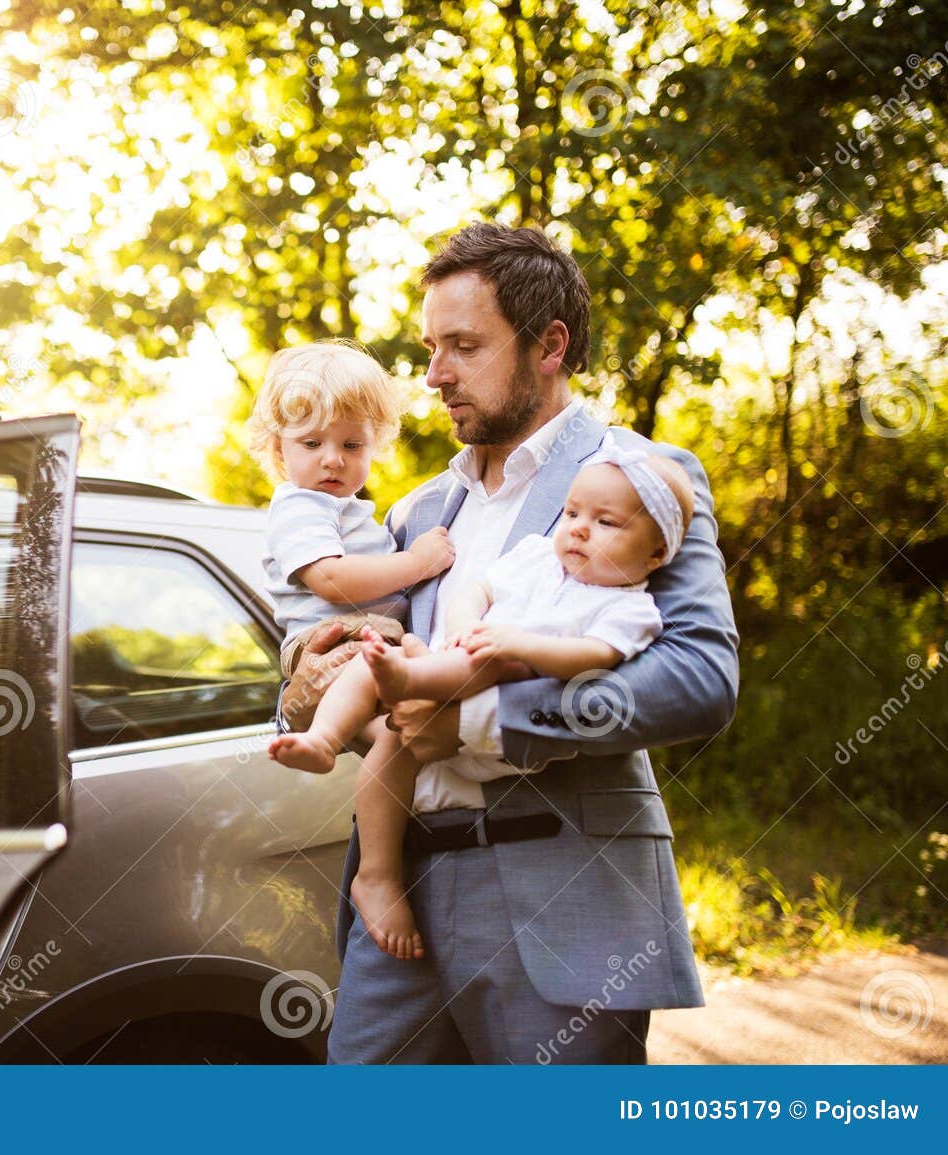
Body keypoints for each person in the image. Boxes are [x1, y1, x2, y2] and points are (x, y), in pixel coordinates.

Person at [279, 222, 739, 1064]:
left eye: (463, 346)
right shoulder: (417, 513)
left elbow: (700, 678)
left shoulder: (639, 478)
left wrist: (482, 725)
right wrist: (307, 676)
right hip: (400, 897)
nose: (434, 374)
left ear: (548, 345)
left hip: (561, 898)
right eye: (430, 347)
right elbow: (357, 651)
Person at [273, 439, 695, 962]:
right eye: (570, 513)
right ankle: (356, 821)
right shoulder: (431, 515)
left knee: (487, 664)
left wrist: (498, 666)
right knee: (376, 665)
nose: (580, 528)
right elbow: (471, 592)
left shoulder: (631, 597)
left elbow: (669, 676)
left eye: (606, 523)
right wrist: (297, 703)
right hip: (418, 831)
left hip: (541, 860)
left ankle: (407, 679)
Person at [250, 341, 456, 961]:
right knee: (377, 671)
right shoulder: (298, 506)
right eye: (311, 444)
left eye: (352, 444)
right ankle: (321, 740)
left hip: (362, 643)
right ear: (277, 447)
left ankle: (378, 873)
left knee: (397, 742)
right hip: (332, 641)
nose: (332, 460)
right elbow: (333, 580)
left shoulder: (349, 508)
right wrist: (415, 564)